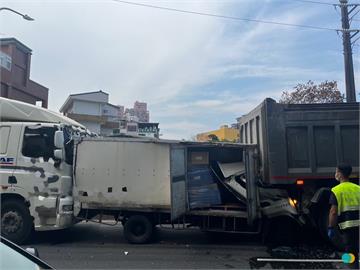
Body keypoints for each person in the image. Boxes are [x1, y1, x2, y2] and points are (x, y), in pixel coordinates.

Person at [328, 163, 359, 269]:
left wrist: (331, 227)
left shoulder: (336, 190)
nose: (335, 174)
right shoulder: (358, 188)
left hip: (348, 227)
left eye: (336, 171)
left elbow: (333, 212)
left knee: (349, 251)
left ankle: (350, 266)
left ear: (340, 174)